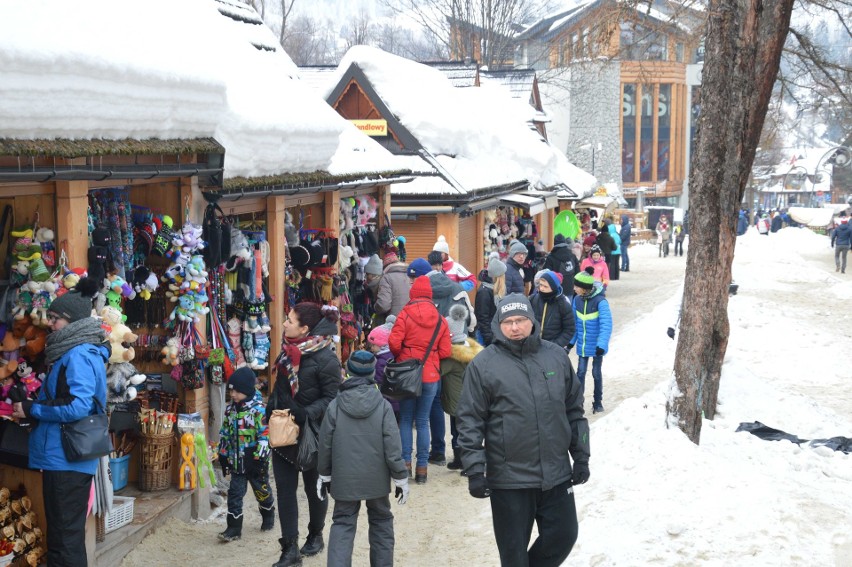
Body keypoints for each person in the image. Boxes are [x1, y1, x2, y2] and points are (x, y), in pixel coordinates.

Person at [456, 294, 590, 567]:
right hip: (509, 479)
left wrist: (582, 456)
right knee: (513, 554)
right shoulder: (484, 364)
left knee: (564, 535)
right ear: (498, 324)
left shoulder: (555, 357)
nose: (514, 327)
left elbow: (574, 410)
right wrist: (474, 469)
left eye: (520, 320)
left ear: (532, 321)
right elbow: (470, 420)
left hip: (556, 472)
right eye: (508, 322)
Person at [11, 277, 108, 567]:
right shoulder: (77, 352)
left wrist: (34, 410)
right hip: (64, 457)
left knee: (64, 542)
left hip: (67, 459)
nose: (50, 324)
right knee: (65, 537)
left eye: (55, 319)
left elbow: (78, 405)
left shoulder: (77, 355)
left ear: (73, 321)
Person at [317, 351, 410, 567]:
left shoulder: (335, 405)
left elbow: (325, 444)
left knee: (342, 523)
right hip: (376, 478)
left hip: (344, 477)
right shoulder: (383, 405)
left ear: (348, 371)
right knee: (381, 522)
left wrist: (324, 473)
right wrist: (400, 477)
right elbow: (393, 446)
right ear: (372, 373)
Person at [267, 303, 341, 567]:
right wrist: (270, 409)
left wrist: (306, 412)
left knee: (315, 488)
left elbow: (333, 398)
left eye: (290, 320)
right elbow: (280, 387)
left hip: (314, 433)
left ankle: (315, 535)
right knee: (285, 490)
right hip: (283, 432)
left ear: (305, 328)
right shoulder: (288, 352)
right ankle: (290, 550)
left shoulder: (326, 358)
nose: (285, 323)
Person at [388, 275, 451, 484]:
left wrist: (405, 355)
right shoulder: (441, 319)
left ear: (412, 294)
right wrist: (430, 357)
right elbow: (445, 351)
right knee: (423, 421)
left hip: (407, 374)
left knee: (406, 419)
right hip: (430, 374)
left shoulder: (404, 315)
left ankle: (405, 465)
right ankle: (422, 468)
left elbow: (394, 343)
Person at [217, 367, 274, 542]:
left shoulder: (258, 410)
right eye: (231, 390)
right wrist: (223, 454)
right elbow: (225, 432)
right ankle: (233, 528)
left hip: (255, 461)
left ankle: (268, 513)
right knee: (235, 493)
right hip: (237, 461)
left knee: (261, 491)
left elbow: (265, 434)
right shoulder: (230, 410)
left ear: (247, 390)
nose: (232, 394)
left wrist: (261, 455)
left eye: (236, 391)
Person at [439, 304, 484, 473]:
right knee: (469, 431)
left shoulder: (452, 356)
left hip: (457, 401)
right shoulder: (472, 350)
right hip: (473, 400)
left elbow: (438, 371)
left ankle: (465, 462)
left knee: (459, 433)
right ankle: (462, 460)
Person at [569, 268, 613, 414]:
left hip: (596, 347)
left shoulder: (601, 302)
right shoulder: (576, 300)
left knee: (596, 373)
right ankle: (578, 402)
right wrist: (570, 342)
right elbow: (575, 324)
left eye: (576, 286)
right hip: (582, 346)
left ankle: (598, 402)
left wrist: (601, 344)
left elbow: (606, 325)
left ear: (584, 288)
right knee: (580, 372)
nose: (574, 288)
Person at [529, 270, 575, 350]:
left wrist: (556, 345)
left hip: (552, 348)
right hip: (533, 346)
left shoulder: (563, 304)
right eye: (541, 285)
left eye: (545, 286)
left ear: (553, 287)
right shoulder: (533, 299)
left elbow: (569, 329)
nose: (541, 289)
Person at [367, 316, 400, 422]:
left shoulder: (382, 361)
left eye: (373, 345)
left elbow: (379, 380)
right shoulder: (391, 356)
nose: (371, 348)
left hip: (388, 401)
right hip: (396, 400)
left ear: (383, 345)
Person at [474, 255, 506, 346]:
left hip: (494, 333)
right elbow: (482, 319)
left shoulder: (492, 290)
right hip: (486, 337)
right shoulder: (484, 292)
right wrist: (490, 340)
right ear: (498, 277)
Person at [374, 251, 410, 322]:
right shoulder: (410, 276)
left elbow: (383, 305)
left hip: (395, 322)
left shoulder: (386, 278)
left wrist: (375, 308)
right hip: (411, 321)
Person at [543, 234, 579, 299]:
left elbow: (546, 273)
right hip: (571, 287)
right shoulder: (572, 256)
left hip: (556, 288)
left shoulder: (551, 257)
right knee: (568, 307)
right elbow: (578, 272)